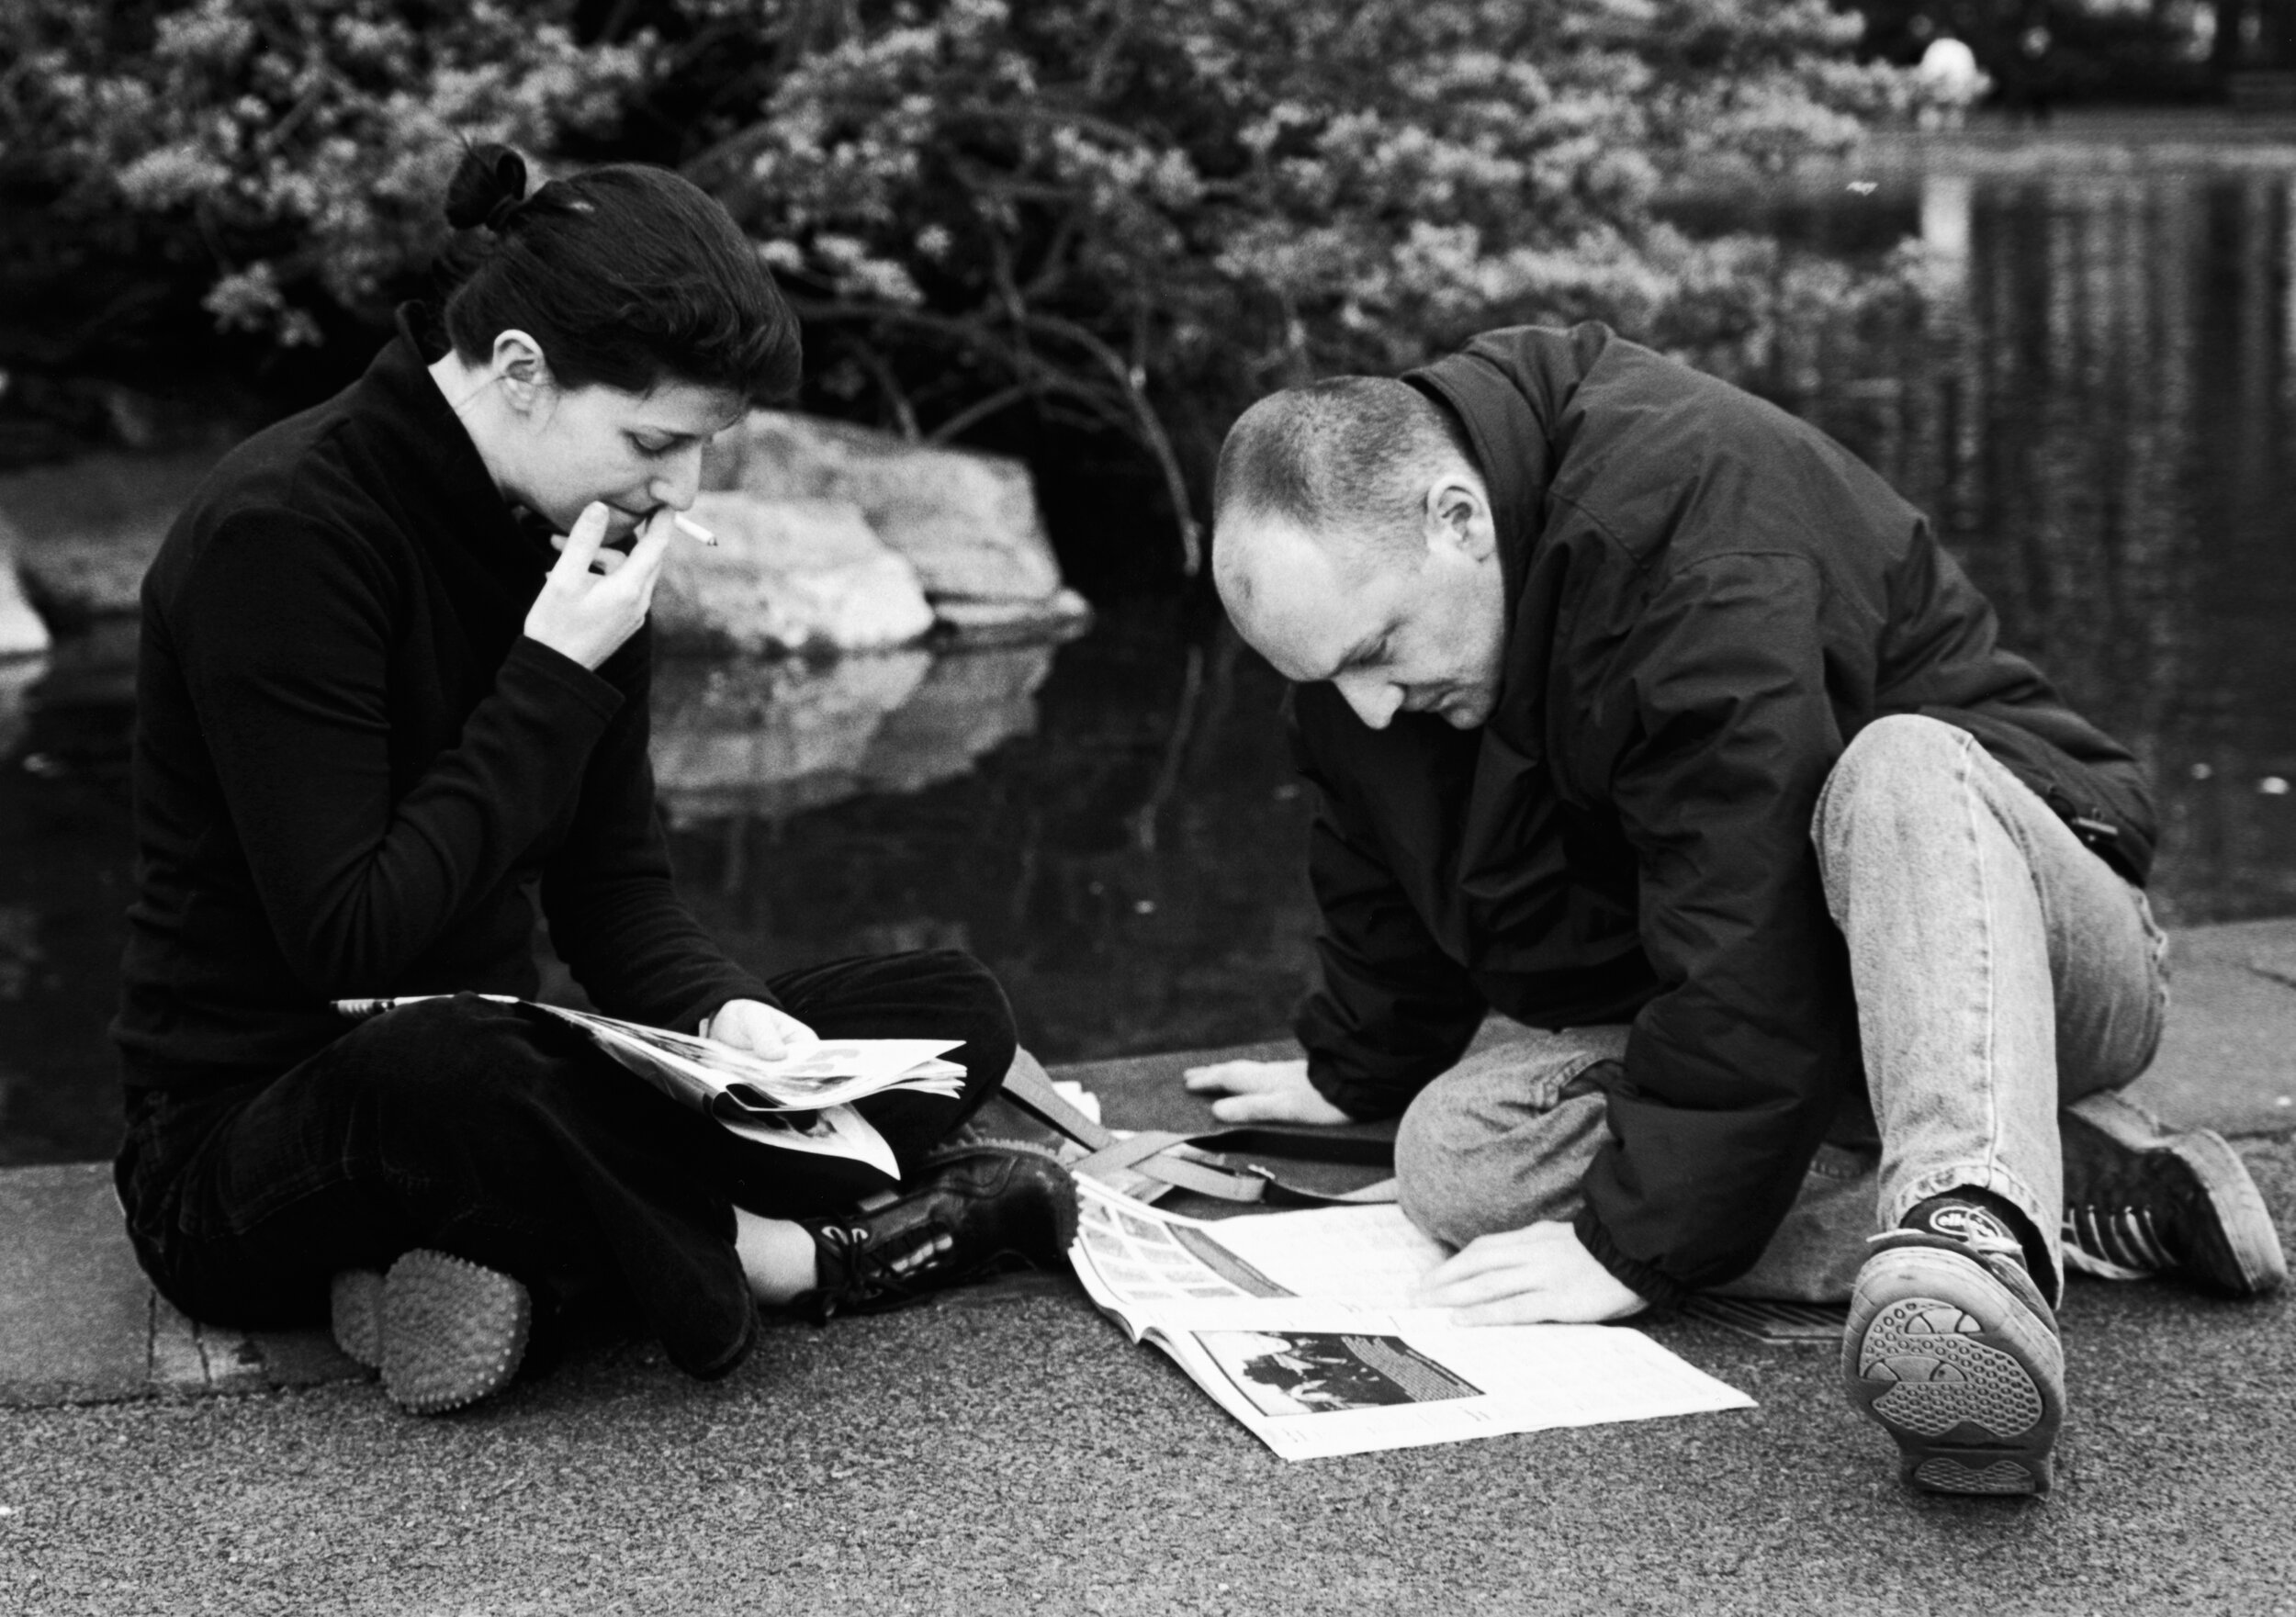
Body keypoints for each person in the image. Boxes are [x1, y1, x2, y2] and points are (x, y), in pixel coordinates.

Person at [1187, 322, 2286, 1496]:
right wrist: (1358, 1062)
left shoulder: (1695, 522)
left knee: (1897, 766)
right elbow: (1377, 853)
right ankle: (2065, 1183)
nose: (1364, 708)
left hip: (2029, 933)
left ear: (1457, 519)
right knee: (1457, 1162)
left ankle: (1977, 1225)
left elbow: (1746, 912)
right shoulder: (1392, 646)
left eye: (1376, 651)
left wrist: (1631, 1245)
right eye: (1324, 683)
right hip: (1807, 1000)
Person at [110, 144, 1074, 1416]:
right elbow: (351, 938)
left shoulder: (588, 536)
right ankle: (791, 1257)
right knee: (454, 1061)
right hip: (256, 1134)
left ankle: (493, 1261)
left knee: (947, 1002)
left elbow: (616, 896)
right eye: (655, 441)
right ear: (520, 372)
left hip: (513, 1074)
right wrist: (554, 674)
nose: (681, 489)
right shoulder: (285, 533)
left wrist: (730, 1019)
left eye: (702, 450)